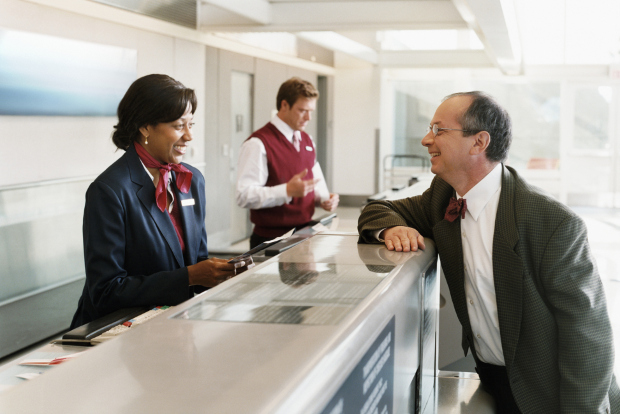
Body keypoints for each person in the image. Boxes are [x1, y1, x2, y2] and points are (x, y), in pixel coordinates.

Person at [358, 91, 620, 413]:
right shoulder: (443, 196)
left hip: (553, 392)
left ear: (479, 142)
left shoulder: (553, 223)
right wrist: (393, 229)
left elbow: (589, 337)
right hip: (491, 378)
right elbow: (378, 210)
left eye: (439, 130)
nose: (427, 139)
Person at [70, 74, 247, 329]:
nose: (189, 136)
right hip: (119, 335)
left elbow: (197, 264)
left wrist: (219, 273)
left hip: (173, 326)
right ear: (145, 127)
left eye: (191, 124)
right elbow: (105, 291)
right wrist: (188, 277)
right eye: (178, 126)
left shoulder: (191, 180)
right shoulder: (109, 191)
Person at [236, 77, 339, 248]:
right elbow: (244, 196)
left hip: (305, 235)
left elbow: (314, 182)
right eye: (302, 110)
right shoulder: (258, 143)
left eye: (311, 111)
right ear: (284, 105)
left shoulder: (307, 140)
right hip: (271, 240)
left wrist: (324, 198)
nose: (309, 117)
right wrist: (287, 191)